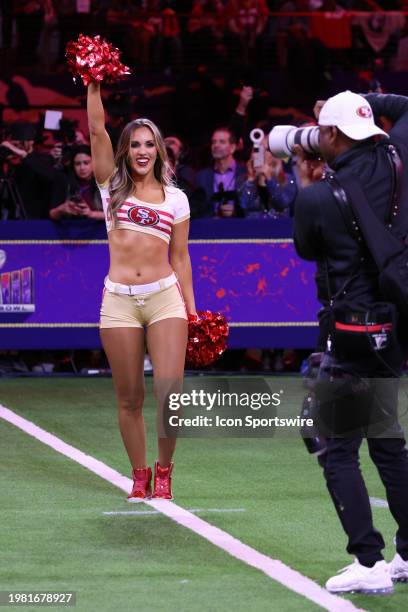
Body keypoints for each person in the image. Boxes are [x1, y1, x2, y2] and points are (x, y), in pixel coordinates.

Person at [294, 90, 408, 593]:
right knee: (388, 444)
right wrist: (366, 97)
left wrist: (304, 184)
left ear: (332, 136)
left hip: (349, 333)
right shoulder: (399, 160)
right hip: (393, 327)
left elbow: (305, 247)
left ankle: (368, 563)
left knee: (335, 448)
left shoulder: (320, 193)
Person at [87, 81, 196, 501]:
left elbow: (181, 257)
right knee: (130, 397)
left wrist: (192, 310)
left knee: (170, 391)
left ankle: (164, 472)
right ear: (126, 151)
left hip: (164, 297)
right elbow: (97, 130)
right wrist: (94, 82)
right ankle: (138, 474)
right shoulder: (110, 188)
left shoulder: (177, 199)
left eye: (149, 144)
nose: (142, 151)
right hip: (118, 301)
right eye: (134, 144)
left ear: (159, 151)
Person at [195, 127, 247, 216]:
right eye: (213, 142)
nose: (216, 145)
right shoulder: (202, 176)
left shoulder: (245, 172)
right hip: (210, 227)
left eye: (222, 142)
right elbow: (198, 208)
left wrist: (236, 212)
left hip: (239, 225)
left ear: (233, 147)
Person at [49, 145, 104, 221]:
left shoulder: (104, 183)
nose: (82, 168)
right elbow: (52, 214)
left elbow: (115, 215)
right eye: (78, 164)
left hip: (99, 230)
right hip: (71, 228)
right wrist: (61, 209)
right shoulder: (65, 182)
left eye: (86, 163)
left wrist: (91, 214)